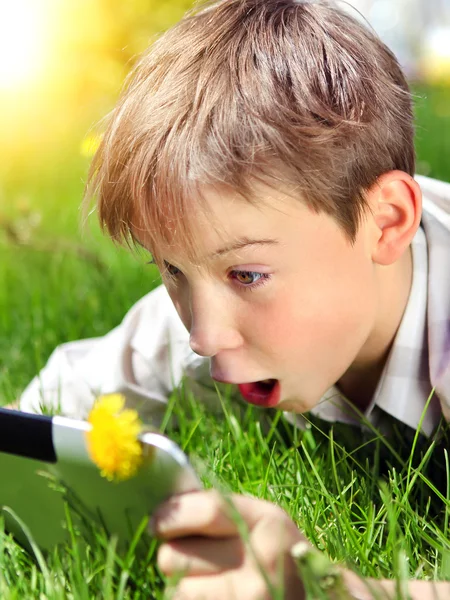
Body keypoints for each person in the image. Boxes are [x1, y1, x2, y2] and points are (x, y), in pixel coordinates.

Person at [17, 0, 450, 597]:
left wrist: (330, 588)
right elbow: (43, 415)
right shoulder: (216, 305)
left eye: (246, 276)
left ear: (385, 223)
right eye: (171, 268)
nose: (202, 335)